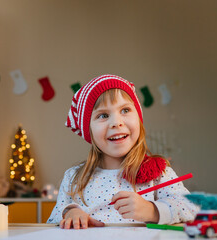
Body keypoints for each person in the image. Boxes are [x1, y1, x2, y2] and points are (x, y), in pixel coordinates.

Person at [47, 74, 199, 229]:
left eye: (125, 110)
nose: (116, 122)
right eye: (103, 115)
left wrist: (152, 210)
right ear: (89, 130)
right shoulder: (74, 178)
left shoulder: (159, 173)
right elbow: (53, 221)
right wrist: (70, 213)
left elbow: (191, 208)